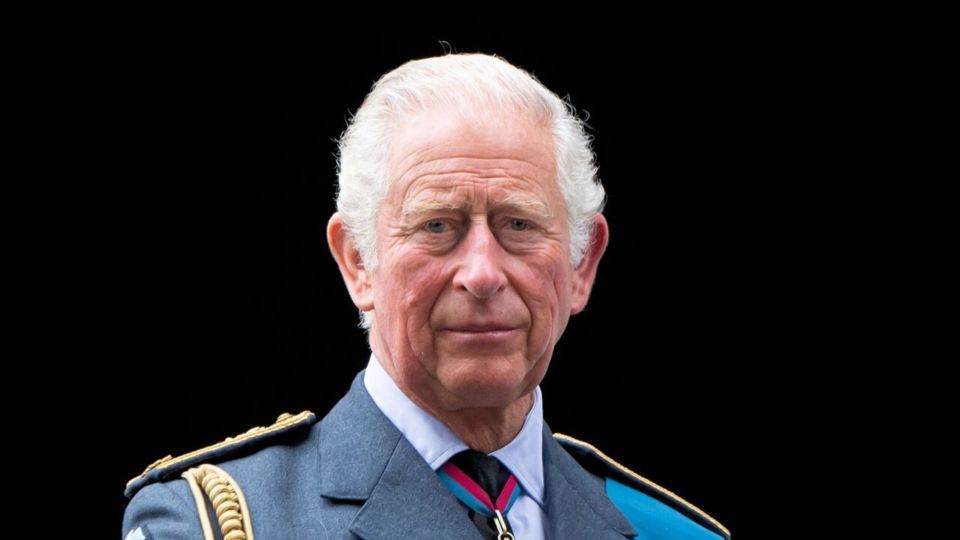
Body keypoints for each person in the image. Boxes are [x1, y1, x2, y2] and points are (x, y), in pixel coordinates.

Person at [121, 52, 730, 540]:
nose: (482, 274)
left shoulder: (667, 530)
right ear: (358, 261)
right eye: (437, 225)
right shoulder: (212, 523)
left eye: (519, 224)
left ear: (581, 264)